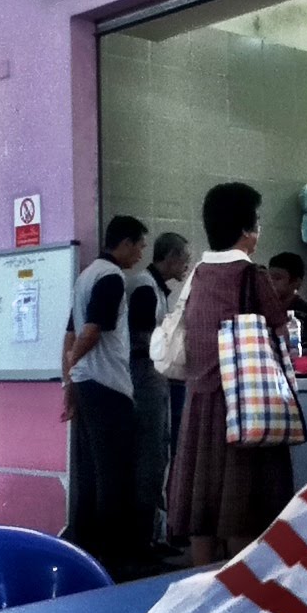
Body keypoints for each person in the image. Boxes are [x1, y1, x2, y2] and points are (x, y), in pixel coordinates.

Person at [167, 183, 294, 566]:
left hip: (199, 403)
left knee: (202, 509)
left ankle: (201, 584)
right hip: (244, 401)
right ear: (246, 228)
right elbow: (279, 331)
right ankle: (243, 591)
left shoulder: (198, 275)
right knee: (244, 505)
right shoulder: (250, 276)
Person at [61, 215, 148, 580]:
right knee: (114, 475)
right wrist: (74, 360)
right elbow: (92, 331)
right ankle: (112, 562)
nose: (141, 253)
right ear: (124, 243)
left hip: (87, 386)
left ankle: (87, 553)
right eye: (139, 246)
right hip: (108, 387)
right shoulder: (111, 277)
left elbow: (70, 332)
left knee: (91, 474)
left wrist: (70, 381)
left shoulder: (86, 276)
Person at [127, 231, 190, 560]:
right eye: (184, 258)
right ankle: (142, 540)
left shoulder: (155, 288)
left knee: (160, 456)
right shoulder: (144, 287)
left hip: (156, 378)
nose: (186, 265)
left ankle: (154, 533)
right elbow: (137, 338)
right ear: (171, 257)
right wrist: (168, 347)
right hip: (145, 378)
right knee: (151, 458)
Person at [268, 251, 307, 354]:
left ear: (296, 282)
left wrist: (300, 352)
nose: (271, 282)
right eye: (269, 278)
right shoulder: (264, 309)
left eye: (277, 278)